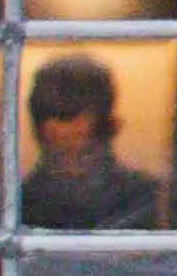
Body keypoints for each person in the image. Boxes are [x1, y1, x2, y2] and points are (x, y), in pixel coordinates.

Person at [20, 51, 169, 230]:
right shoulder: (19, 204)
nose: (79, 129)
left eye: (68, 114)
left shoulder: (146, 197)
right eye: (64, 115)